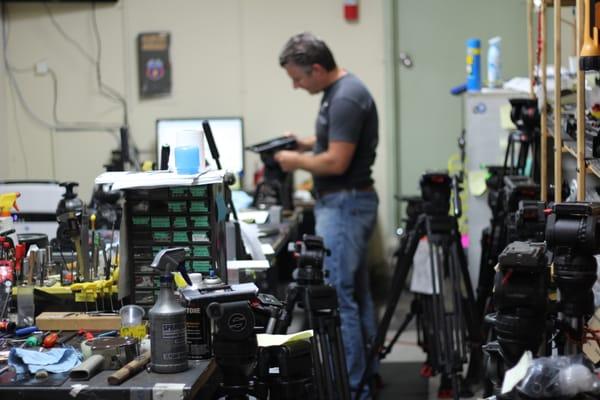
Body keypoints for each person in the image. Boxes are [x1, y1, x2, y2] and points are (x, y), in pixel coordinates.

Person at [275, 32, 379, 399]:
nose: (295, 85)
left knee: (338, 297)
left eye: (298, 78)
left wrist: (294, 160)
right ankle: (366, 378)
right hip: (345, 204)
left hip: (345, 206)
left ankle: (351, 388)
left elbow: (337, 161)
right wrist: (305, 144)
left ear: (317, 69)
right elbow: (335, 144)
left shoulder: (346, 97)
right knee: (356, 295)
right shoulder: (337, 94)